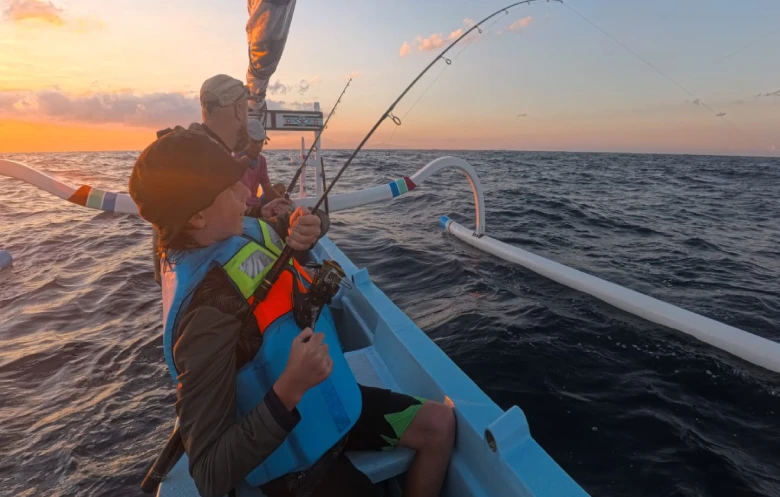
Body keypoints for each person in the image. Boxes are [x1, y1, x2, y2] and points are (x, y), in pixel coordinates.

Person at [129, 129, 455, 497]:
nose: (244, 194)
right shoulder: (204, 315)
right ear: (197, 218)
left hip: (333, 405)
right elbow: (208, 473)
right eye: (231, 187)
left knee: (440, 423)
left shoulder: (240, 231)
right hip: (294, 464)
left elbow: (295, 226)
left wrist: (309, 225)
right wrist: (290, 388)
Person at [151, 74, 293, 284]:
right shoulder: (206, 160)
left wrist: (258, 212)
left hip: (176, 277)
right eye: (246, 109)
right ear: (239, 110)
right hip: (203, 282)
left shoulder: (186, 148)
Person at [234, 119, 287, 210]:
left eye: (261, 141)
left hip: (256, 204)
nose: (259, 146)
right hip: (242, 208)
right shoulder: (235, 161)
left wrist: (286, 204)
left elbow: (268, 190)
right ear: (245, 140)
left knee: (280, 187)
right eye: (254, 141)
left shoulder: (261, 160)